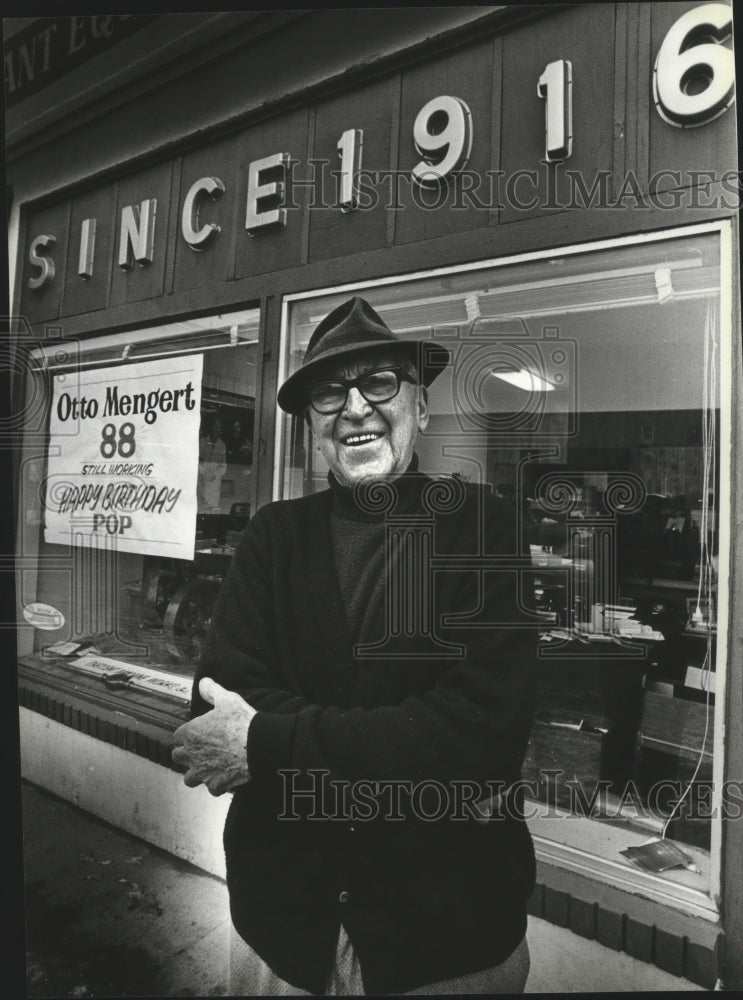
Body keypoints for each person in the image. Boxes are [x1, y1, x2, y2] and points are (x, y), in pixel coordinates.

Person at [173, 297, 537, 995]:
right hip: (283, 933)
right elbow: (216, 699)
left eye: (379, 383)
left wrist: (268, 744)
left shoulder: (480, 528)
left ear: (420, 410)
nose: (354, 407)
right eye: (329, 392)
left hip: (448, 941)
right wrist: (392, 739)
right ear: (313, 426)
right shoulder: (272, 536)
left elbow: (478, 733)